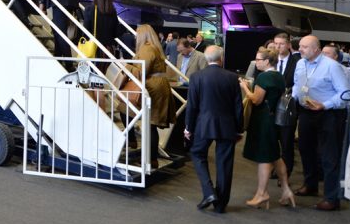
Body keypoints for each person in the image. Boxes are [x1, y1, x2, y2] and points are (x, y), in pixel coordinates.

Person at [292, 35, 350, 210]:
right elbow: (297, 84)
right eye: (300, 46)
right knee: (306, 150)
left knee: (329, 156)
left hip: (328, 114)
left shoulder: (332, 67)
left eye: (304, 46)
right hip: (306, 113)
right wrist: (294, 96)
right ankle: (311, 185)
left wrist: (325, 105)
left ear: (316, 49)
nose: (300, 49)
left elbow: (345, 94)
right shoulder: (300, 63)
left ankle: (331, 197)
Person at [184, 45, 242, 213]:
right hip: (227, 125)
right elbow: (238, 106)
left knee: (197, 153)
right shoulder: (232, 77)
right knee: (225, 163)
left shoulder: (197, 77)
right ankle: (220, 204)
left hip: (204, 124)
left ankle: (209, 192)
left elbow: (192, 106)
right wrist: (239, 129)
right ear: (221, 59)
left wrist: (188, 127)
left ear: (206, 59)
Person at [239, 47, 295, 209]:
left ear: (267, 61)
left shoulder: (264, 77)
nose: (255, 62)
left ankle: (262, 194)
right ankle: (286, 190)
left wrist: (244, 87)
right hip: (273, 120)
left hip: (263, 121)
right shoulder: (279, 76)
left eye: (258, 60)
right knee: (275, 156)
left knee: (264, 157)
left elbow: (256, 100)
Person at [124, 25, 176, 167]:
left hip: (153, 87)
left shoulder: (146, 48)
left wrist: (126, 66)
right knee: (150, 124)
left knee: (148, 124)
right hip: (158, 86)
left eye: (137, 34)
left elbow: (142, 70)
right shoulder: (154, 47)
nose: (136, 37)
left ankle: (149, 157)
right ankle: (150, 158)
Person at [273, 32, 300, 178]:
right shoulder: (270, 60)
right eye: (276, 43)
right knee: (273, 141)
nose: (278, 46)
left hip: (288, 107)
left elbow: (299, 84)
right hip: (271, 108)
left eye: (281, 44)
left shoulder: (297, 62)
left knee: (286, 142)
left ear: (288, 45)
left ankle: (285, 172)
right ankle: (276, 168)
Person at [82, 0, 122, 65]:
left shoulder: (90, 9)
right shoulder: (112, 11)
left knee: (93, 74)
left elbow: (86, 30)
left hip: (94, 49)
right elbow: (116, 33)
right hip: (108, 50)